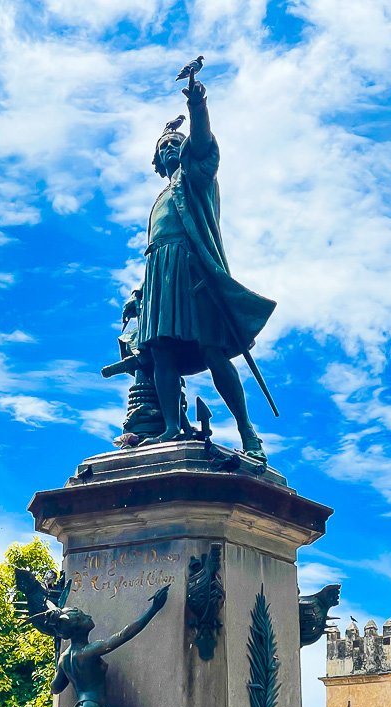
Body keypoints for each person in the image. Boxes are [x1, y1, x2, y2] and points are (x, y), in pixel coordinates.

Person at [122, 69, 276, 463]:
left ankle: (247, 431)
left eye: (177, 143)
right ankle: (172, 428)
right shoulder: (159, 198)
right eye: (166, 146)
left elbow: (204, 145)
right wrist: (140, 295)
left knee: (212, 349)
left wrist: (196, 106)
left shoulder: (196, 180)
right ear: (157, 160)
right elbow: (155, 244)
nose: (173, 149)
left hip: (193, 271)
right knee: (161, 352)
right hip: (159, 272)